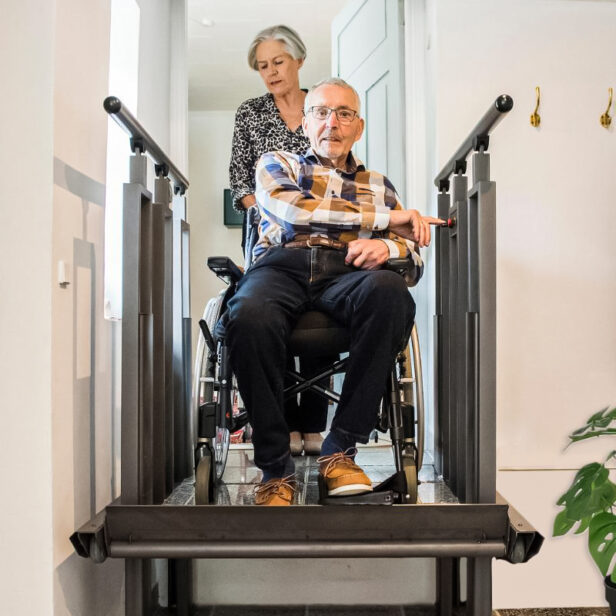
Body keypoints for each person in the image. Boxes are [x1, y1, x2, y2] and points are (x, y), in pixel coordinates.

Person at [224, 77, 443, 506]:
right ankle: (274, 469)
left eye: (344, 114)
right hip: (281, 264)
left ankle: (340, 448)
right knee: (247, 312)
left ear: (358, 127)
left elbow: (414, 260)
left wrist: (386, 245)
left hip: (347, 271)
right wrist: (385, 221)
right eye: (322, 113)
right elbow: (294, 213)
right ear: (305, 124)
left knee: (393, 292)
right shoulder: (278, 163)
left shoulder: (380, 183)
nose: (332, 123)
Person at [229, 24, 333, 456]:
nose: (271, 72)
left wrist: (315, 219)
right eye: (263, 66)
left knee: (321, 316)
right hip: (269, 236)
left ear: (299, 61)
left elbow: (339, 173)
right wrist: (282, 216)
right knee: (271, 319)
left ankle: (313, 424)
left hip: (323, 233)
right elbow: (240, 184)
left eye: (278, 62)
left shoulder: (323, 107)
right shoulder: (250, 113)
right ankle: (283, 424)